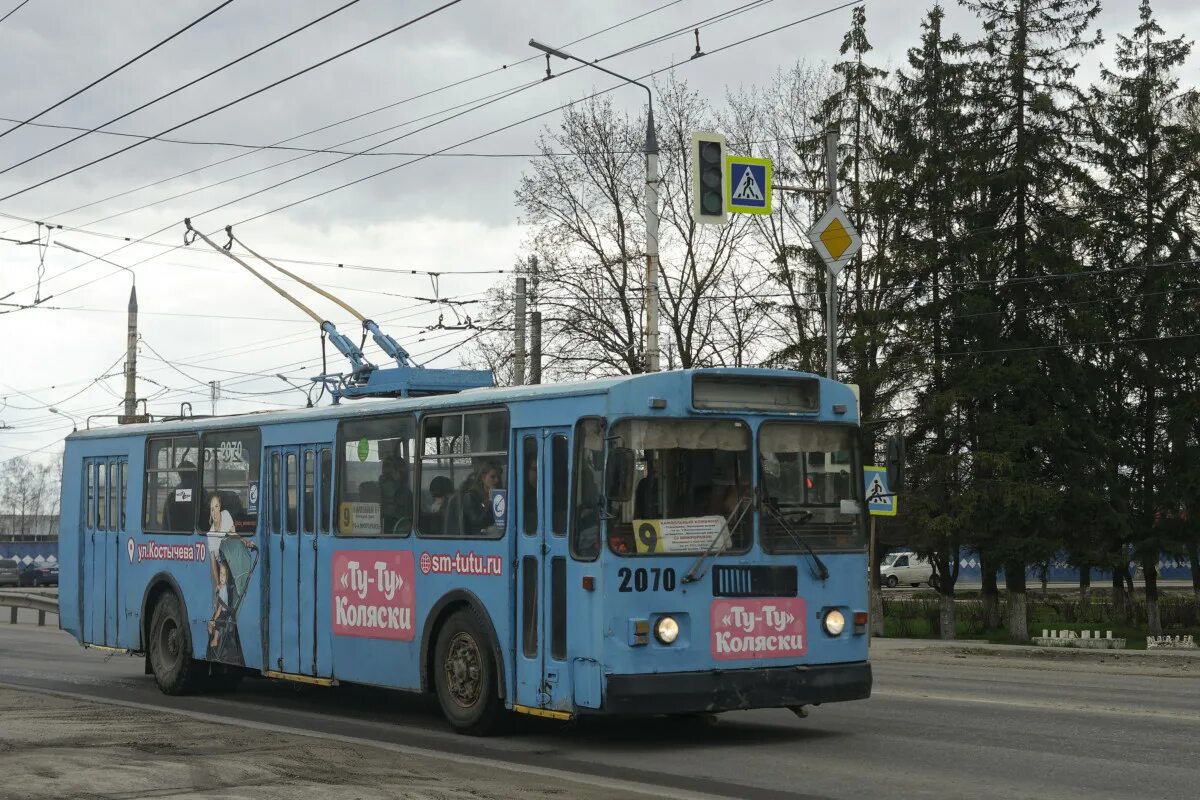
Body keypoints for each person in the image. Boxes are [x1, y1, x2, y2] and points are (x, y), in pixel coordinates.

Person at [462, 463, 501, 535]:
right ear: (483, 477)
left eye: (498, 477)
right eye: (492, 477)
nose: (497, 480)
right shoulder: (471, 496)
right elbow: (476, 522)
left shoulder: (501, 495)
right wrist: (490, 502)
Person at [379, 456, 414, 535]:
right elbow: (411, 514)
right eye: (402, 471)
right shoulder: (402, 492)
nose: (404, 475)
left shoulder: (378, 486)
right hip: (397, 529)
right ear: (395, 472)